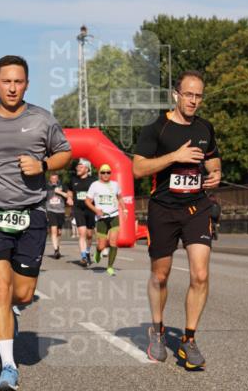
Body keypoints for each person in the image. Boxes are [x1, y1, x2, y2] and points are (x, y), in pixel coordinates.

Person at [0, 55, 72, 391]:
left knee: (22, 295)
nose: (12, 87)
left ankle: (10, 309)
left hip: (32, 212)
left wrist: (43, 164)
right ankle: (8, 367)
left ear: (26, 83)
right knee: (1, 285)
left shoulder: (42, 119)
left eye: (18, 81)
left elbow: (65, 152)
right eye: (6, 81)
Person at [133, 70, 221, 369]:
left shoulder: (205, 127)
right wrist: (174, 157)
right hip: (163, 209)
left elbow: (212, 158)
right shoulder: (156, 129)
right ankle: (157, 330)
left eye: (198, 96)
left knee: (200, 275)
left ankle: (189, 340)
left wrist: (216, 173)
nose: (193, 101)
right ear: (176, 94)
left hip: (197, 208)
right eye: (188, 95)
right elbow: (138, 169)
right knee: (160, 275)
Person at [84, 164, 125, 275]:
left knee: (113, 242)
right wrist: (96, 210)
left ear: (110, 173)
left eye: (108, 172)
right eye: (103, 172)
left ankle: (110, 267)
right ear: (100, 174)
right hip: (101, 218)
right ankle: (98, 251)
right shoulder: (95, 185)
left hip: (114, 216)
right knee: (101, 245)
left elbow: (120, 197)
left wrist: (124, 210)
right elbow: (87, 201)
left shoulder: (115, 185)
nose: (106, 174)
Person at [67, 159, 96, 266]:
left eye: (80, 166)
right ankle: (83, 256)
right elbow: (70, 191)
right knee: (82, 233)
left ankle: (87, 251)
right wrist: (69, 198)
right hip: (78, 209)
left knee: (89, 234)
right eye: (77, 166)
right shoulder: (73, 179)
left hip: (90, 209)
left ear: (87, 168)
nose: (77, 168)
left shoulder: (93, 180)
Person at [45, 172, 68, 259]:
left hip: (61, 211)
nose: (54, 180)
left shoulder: (62, 186)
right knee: (53, 230)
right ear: (50, 179)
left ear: (58, 179)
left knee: (59, 232)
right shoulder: (46, 186)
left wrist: (60, 192)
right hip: (51, 210)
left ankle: (57, 247)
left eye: (56, 179)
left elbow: (68, 195)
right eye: (52, 178)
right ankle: (55, 250)